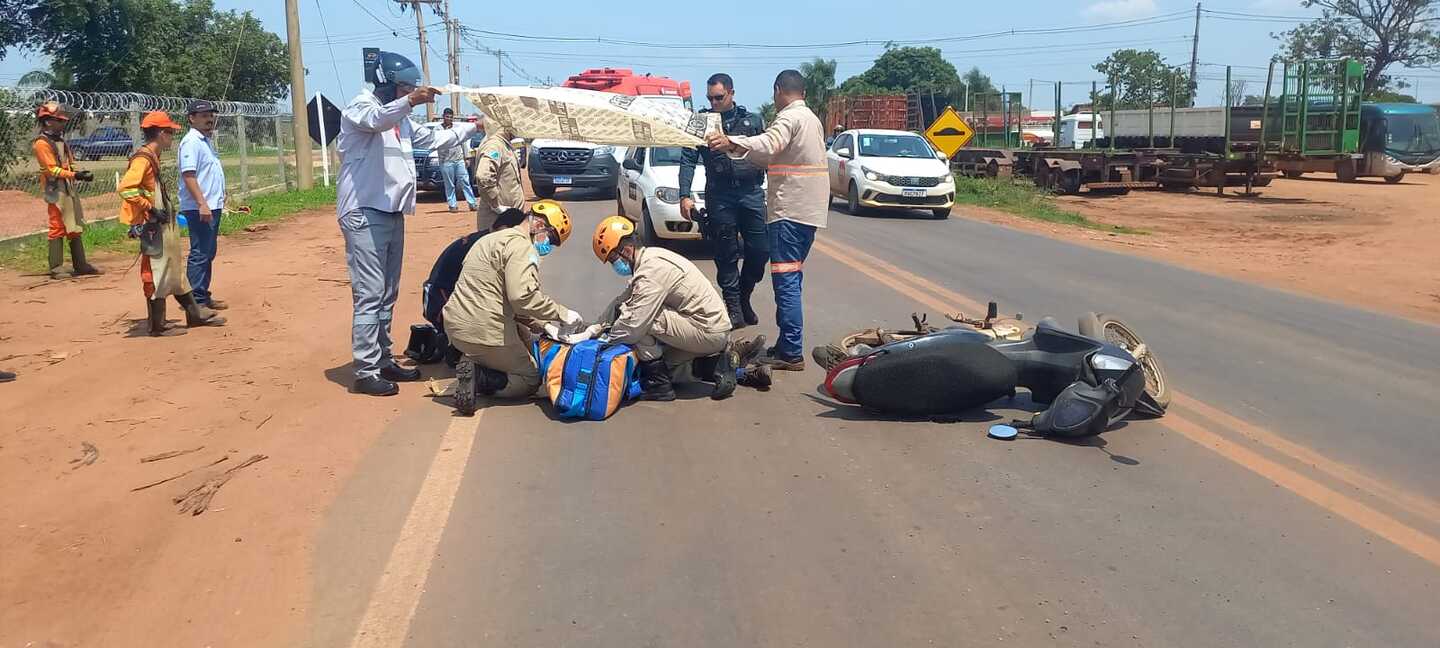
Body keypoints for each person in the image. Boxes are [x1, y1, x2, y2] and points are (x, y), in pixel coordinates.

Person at [337, 50, 477, 397]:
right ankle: (366, 369)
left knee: (387, 292)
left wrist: (472, 128)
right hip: (364, 212)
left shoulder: (399, 119)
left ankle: (383, 358)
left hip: (391, 212)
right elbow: (377, 121)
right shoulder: (362, 107)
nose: (407, 95)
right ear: (385, 85)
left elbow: (431, 139)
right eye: (403, 89)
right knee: (369, 294)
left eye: (409, 90)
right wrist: (410, 100)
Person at [705, 70, 829, 372]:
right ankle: (788, 345)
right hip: (808, 212)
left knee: (785, 282)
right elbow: (768, 156)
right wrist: (735, 147)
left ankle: (790, 352)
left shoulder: (788, 118)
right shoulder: (811, 119)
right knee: (793, 279)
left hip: (789, 211)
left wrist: (730, 140)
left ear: (778, 90)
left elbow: (769, 143)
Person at [576, 216, 771, 402]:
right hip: (706, 328)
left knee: (641, 320)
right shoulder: (650, 260)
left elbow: (633, 324)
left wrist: (605, 340)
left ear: (626, 250)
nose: (614, 265)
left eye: (612, 259)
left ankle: (660, 387)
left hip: (706, 331)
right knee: (667, 366)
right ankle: (734, 366)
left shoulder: (651, 272)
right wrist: (593, 328)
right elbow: (620, 301)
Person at [443, 201, 583, 415]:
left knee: (523, 334)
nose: (550, 245)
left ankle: (472, 359)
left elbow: (507, 301)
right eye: (552, 238)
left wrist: (543, 325)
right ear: (537, 223)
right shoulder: (522, 247)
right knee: (530, 377)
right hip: (483, 330)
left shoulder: (490, 239)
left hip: (455, 326)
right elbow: (522, 297)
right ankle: (479, 377)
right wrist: (562, 314)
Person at [119, 111, 227, 337]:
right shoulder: (143, 158)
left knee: (172, 268)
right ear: (160, 133)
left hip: (160, 222)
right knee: (153, 272)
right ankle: (157, 325)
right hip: (151, 223)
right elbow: (126, 188)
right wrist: (149, 208)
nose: (172, 137)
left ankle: (194, 313)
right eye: (169, 132)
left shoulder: (152, 156)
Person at [678, 73, 769, 330]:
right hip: (720, 195)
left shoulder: (752, 121)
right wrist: (684, 195)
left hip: (751, 193)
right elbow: (687, 159)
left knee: (760, 251)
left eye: (719, 97)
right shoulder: (701, 122)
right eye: (710, 98)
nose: (715, 102)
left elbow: (767, 150)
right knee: (726, 255)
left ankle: (743, 296)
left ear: (731, 93)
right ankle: (734, 309)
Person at [32, 101, 100, 278]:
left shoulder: (61, 140)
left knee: (74, 222)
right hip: (54, 187)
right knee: (57, 224)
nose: (63, 123)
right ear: (48, 122)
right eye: (60, 120)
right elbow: (51, 169)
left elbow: (69, 162)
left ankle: (80, 264)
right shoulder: (41, 143)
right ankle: (56, 267)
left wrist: (77, 172)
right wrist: (75, 175)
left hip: (67, 185)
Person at [178, 99, 228, 311]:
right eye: (204, 115)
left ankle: (203, 295)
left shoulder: (205, 141)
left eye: (211, 115)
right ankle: (195, 302)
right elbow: (188, 175)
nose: (209, 119)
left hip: (211, 205)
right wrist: (202, 204)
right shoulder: (191, 142)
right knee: (200, 252)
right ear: (192, 118)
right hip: (199, 207)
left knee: (208, 251)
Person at [471, 114, 524, 232]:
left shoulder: (503, 143)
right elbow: (483, 176)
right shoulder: (495, 145)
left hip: (508, 221)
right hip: (497, 222)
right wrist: (496, 205)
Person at [437, 108, 478, 213]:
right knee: (449, 184)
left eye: (451, 117)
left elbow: (463, 142)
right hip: (446, 161)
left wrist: (466, 157)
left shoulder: (457, 128)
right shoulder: (437, 129)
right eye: (447, 116)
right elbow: (436, 142)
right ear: (443, 116)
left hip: (459, 159)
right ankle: (452, 205)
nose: (449, 119)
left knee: (465, 181)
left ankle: (472, 203)